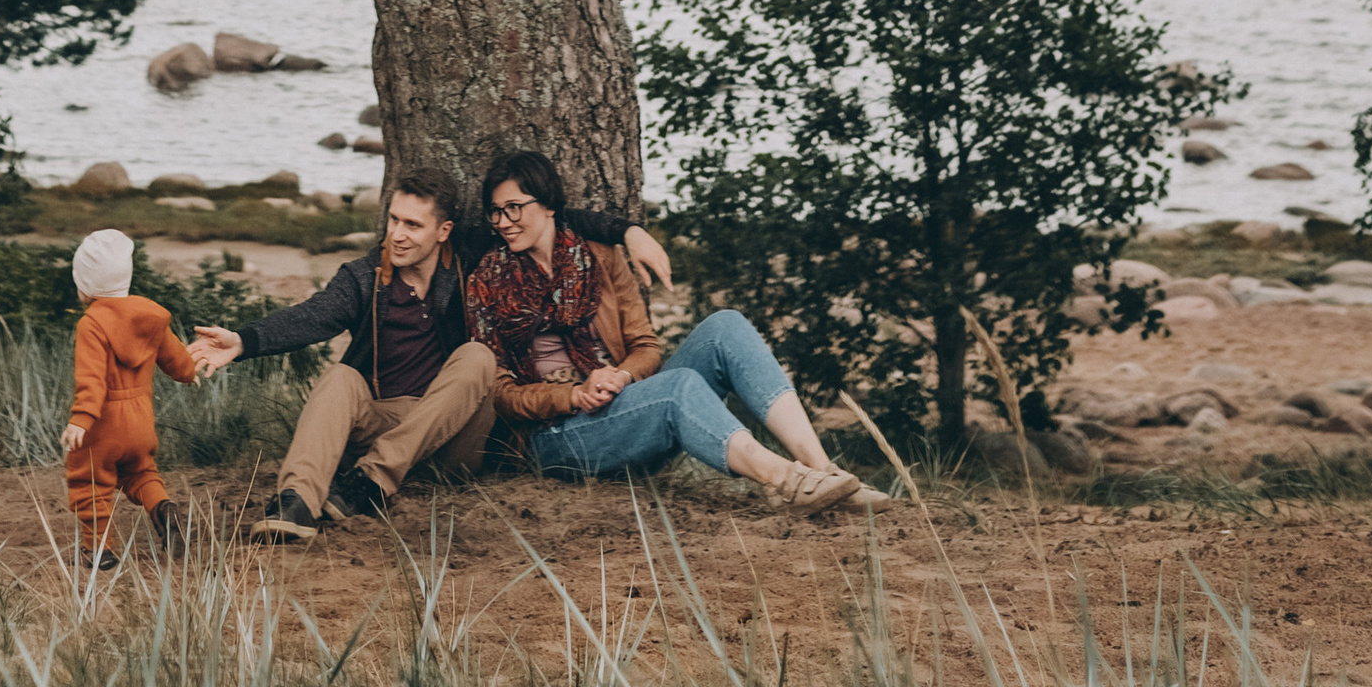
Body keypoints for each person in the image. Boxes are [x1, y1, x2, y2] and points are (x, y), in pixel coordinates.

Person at [192, 174, 674, 542]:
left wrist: (629, 231)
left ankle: (373, 481)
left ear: (443, 230)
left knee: (477, 356)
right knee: (340, 377)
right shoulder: (363, 278)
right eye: (393, 221)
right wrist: (244, 341)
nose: (397, 235)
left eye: (412, 225)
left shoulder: (469, 257)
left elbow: (552, 218)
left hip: (455, 436)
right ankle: (296, 502)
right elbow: (314, 316)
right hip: (385, 420)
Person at [465, 150, 879, 510]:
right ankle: (787, 482)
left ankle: (823, 472)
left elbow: (645, 347)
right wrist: (573, 393)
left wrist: (621, 376)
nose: (504, 222)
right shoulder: (486, 282)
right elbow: (501, 395)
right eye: (496, 212)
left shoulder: (600, 257)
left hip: (627, 405)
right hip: (555, 438)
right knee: (676, 385)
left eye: (514, 207)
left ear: (549, 204)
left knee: (725, 326)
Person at [63, 226, 197, 564]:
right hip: (140, 420)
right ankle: (163, 509)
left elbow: (92, 379)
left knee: (90, 480)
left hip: (104, 422)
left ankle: (99, 551)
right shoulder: (149, 317)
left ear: (86, 286)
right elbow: (176, 358)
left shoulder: (91, 324)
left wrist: (81, 419)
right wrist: (189, 374)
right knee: (140, 472)